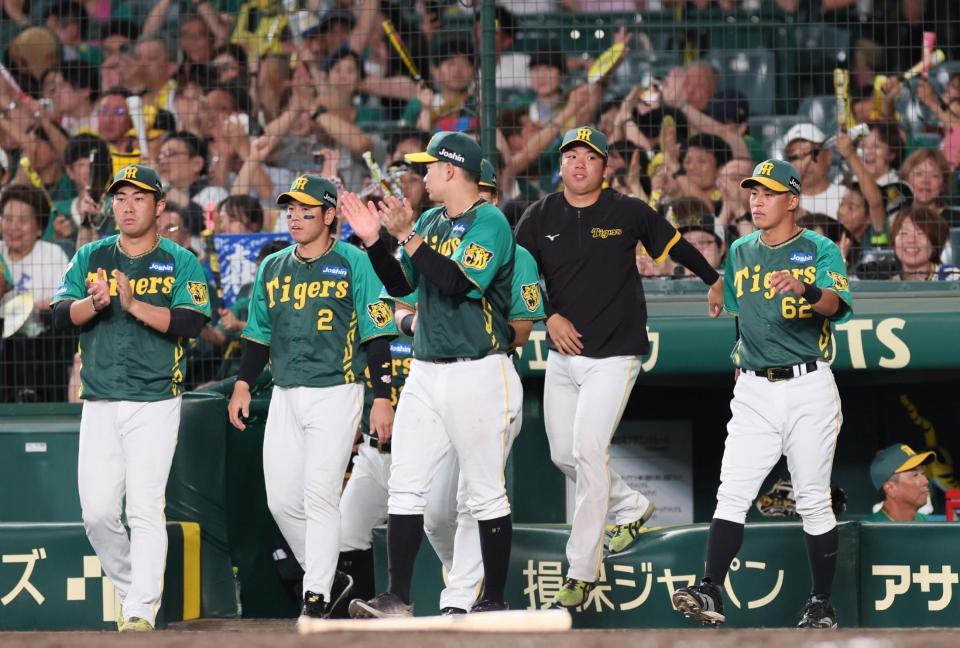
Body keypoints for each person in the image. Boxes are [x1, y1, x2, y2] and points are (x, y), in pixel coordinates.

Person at [515, 125, 724, 609]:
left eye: (589, 156)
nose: (579, 163)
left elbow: (673, 245)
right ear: (561, 164)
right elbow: (518, 274)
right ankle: (631, 507)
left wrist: (713, 279)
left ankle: (581, 572)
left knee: (588, 451)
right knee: (562, 455)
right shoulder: (538, 214)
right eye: (571, 155)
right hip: (563, 355)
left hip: (614, 353)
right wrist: (548, 314)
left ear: (605, 166)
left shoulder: (626, 210)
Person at [339, 131, 519, 617]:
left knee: (484, 490)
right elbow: (401, 284)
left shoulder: (491, 221)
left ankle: (494, 598)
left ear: (453, 170)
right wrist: (376, 241)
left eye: (430, 166)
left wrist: (405, 236)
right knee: (406, 481)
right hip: (426, 369)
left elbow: (459, 282)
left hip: (479, 369)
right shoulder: (434, 221)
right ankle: (398, 595)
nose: (423, 174)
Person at [672, 159, 853, 629]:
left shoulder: (819, 247)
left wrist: (805, 287)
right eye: (753, 192)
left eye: (769, 193)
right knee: (731, 493)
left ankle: (821, 603)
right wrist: (717, 292)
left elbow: (834, 305)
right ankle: (711, 589)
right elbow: (739, 310)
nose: (757, 199)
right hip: (753, 388)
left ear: (792, 200)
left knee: (812, 498)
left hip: (809, 384)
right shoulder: (739, 250)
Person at [227, 174, 397, 625]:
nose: (296, 218)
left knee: (320, 496)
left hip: (337, 391)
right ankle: (329, 578)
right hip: (285, 393)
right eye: (290, 210)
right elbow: (257, 334)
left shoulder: (354, 262)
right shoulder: (273, 266)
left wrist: (382, 396)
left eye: (306, 210)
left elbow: (378, 331)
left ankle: (316, 596)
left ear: (329, 215)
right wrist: (243, 383)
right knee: (282, 502)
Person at [50, 163, 212, 631]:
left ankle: (141, 610)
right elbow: (62, 316)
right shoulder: (91, 256)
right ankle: (132, 592)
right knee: (97, 513)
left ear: (160, 207)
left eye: (138, 197)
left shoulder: (180, 260)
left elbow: (191, 324)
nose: (127, 205)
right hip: (99, 399)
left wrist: (134, 305)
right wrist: (95, 304)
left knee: (144, 507)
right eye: (120, 197)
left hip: (155, 398)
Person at [0, 184, 72, 402]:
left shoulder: (53, 254)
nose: (13, 227)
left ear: (39, 228)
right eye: (8, 218)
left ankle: (29, 397)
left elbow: (65, 298)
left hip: (42, 338)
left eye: (22, 221)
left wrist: (39, 306)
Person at [783, 124, 844, 220]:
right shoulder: (780, 202)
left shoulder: (847, 196)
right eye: (795, 157)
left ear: (828, 156)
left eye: (813, 153)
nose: (805, 163)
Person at [890, 205, 960, 281]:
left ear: (935, 243)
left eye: (921, 233)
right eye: (904, 233)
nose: (911, 240)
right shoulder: (886, 283)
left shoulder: (952, 278)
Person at [867, 444, 935, 522]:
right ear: (890, 489)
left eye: (922, 473)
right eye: (915, 475)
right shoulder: (869, 530)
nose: (925, 481)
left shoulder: (924, 522)